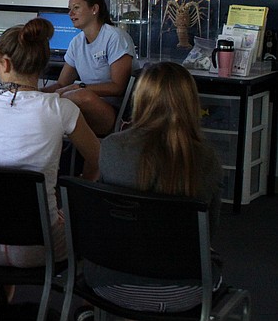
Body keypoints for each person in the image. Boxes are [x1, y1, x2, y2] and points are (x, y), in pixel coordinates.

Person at [84, 61, 223, 313]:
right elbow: (207, 234)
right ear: (191, 103)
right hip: (184, 290)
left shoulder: (113, 148)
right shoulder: (206, 159)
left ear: (140, 99)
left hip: (110, 282)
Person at [0, 18, 100, 270]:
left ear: (5, 64)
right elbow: (97, 157)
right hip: (42, 246)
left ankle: (3, 292)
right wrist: (78, 192)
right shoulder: (61, 108)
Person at [42, 0, 135, 136]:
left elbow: (118, 87)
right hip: (86, 107)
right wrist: (34, 93)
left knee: (81, 96)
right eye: (69, 9)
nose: (70, 13)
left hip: (116, 113)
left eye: (76, 8)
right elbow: (61, 84)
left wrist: (80, 87)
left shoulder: (115, 37)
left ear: (94, 9)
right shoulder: (76, 42)